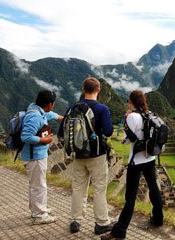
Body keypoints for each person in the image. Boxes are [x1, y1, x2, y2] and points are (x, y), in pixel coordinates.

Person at [101, 90, 163, 240]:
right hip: (150, 158)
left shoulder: (132, 117)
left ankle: (119, 232)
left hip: (136, 161)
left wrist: (126, 119)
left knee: (130, 197)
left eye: (128, 101)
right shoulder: (149, 114)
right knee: (154, 188)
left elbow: (126, 140)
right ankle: (158, 219)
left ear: (132, 102)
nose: (127, 103)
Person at [64, 77, 115, 234]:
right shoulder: (101, 108)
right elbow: (108, 131)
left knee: (78, 188)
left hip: (78, 155)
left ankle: (75, 220)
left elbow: (62, 132)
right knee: (99, 189)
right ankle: (101, 223)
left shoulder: (72, 107)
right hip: (97, 155)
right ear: (98, 90)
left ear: (83, 89)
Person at [21, 90, 63, 224]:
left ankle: (38, 208)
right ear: (50, 104)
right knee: (39, 186)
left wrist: (65, 118)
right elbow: (26, 137)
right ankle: (39, 215)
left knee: (36, 185)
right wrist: (44, 140)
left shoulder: (38, 110)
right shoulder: (35, 117)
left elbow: (51, 114)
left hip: (37, 156)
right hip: (35, 157)